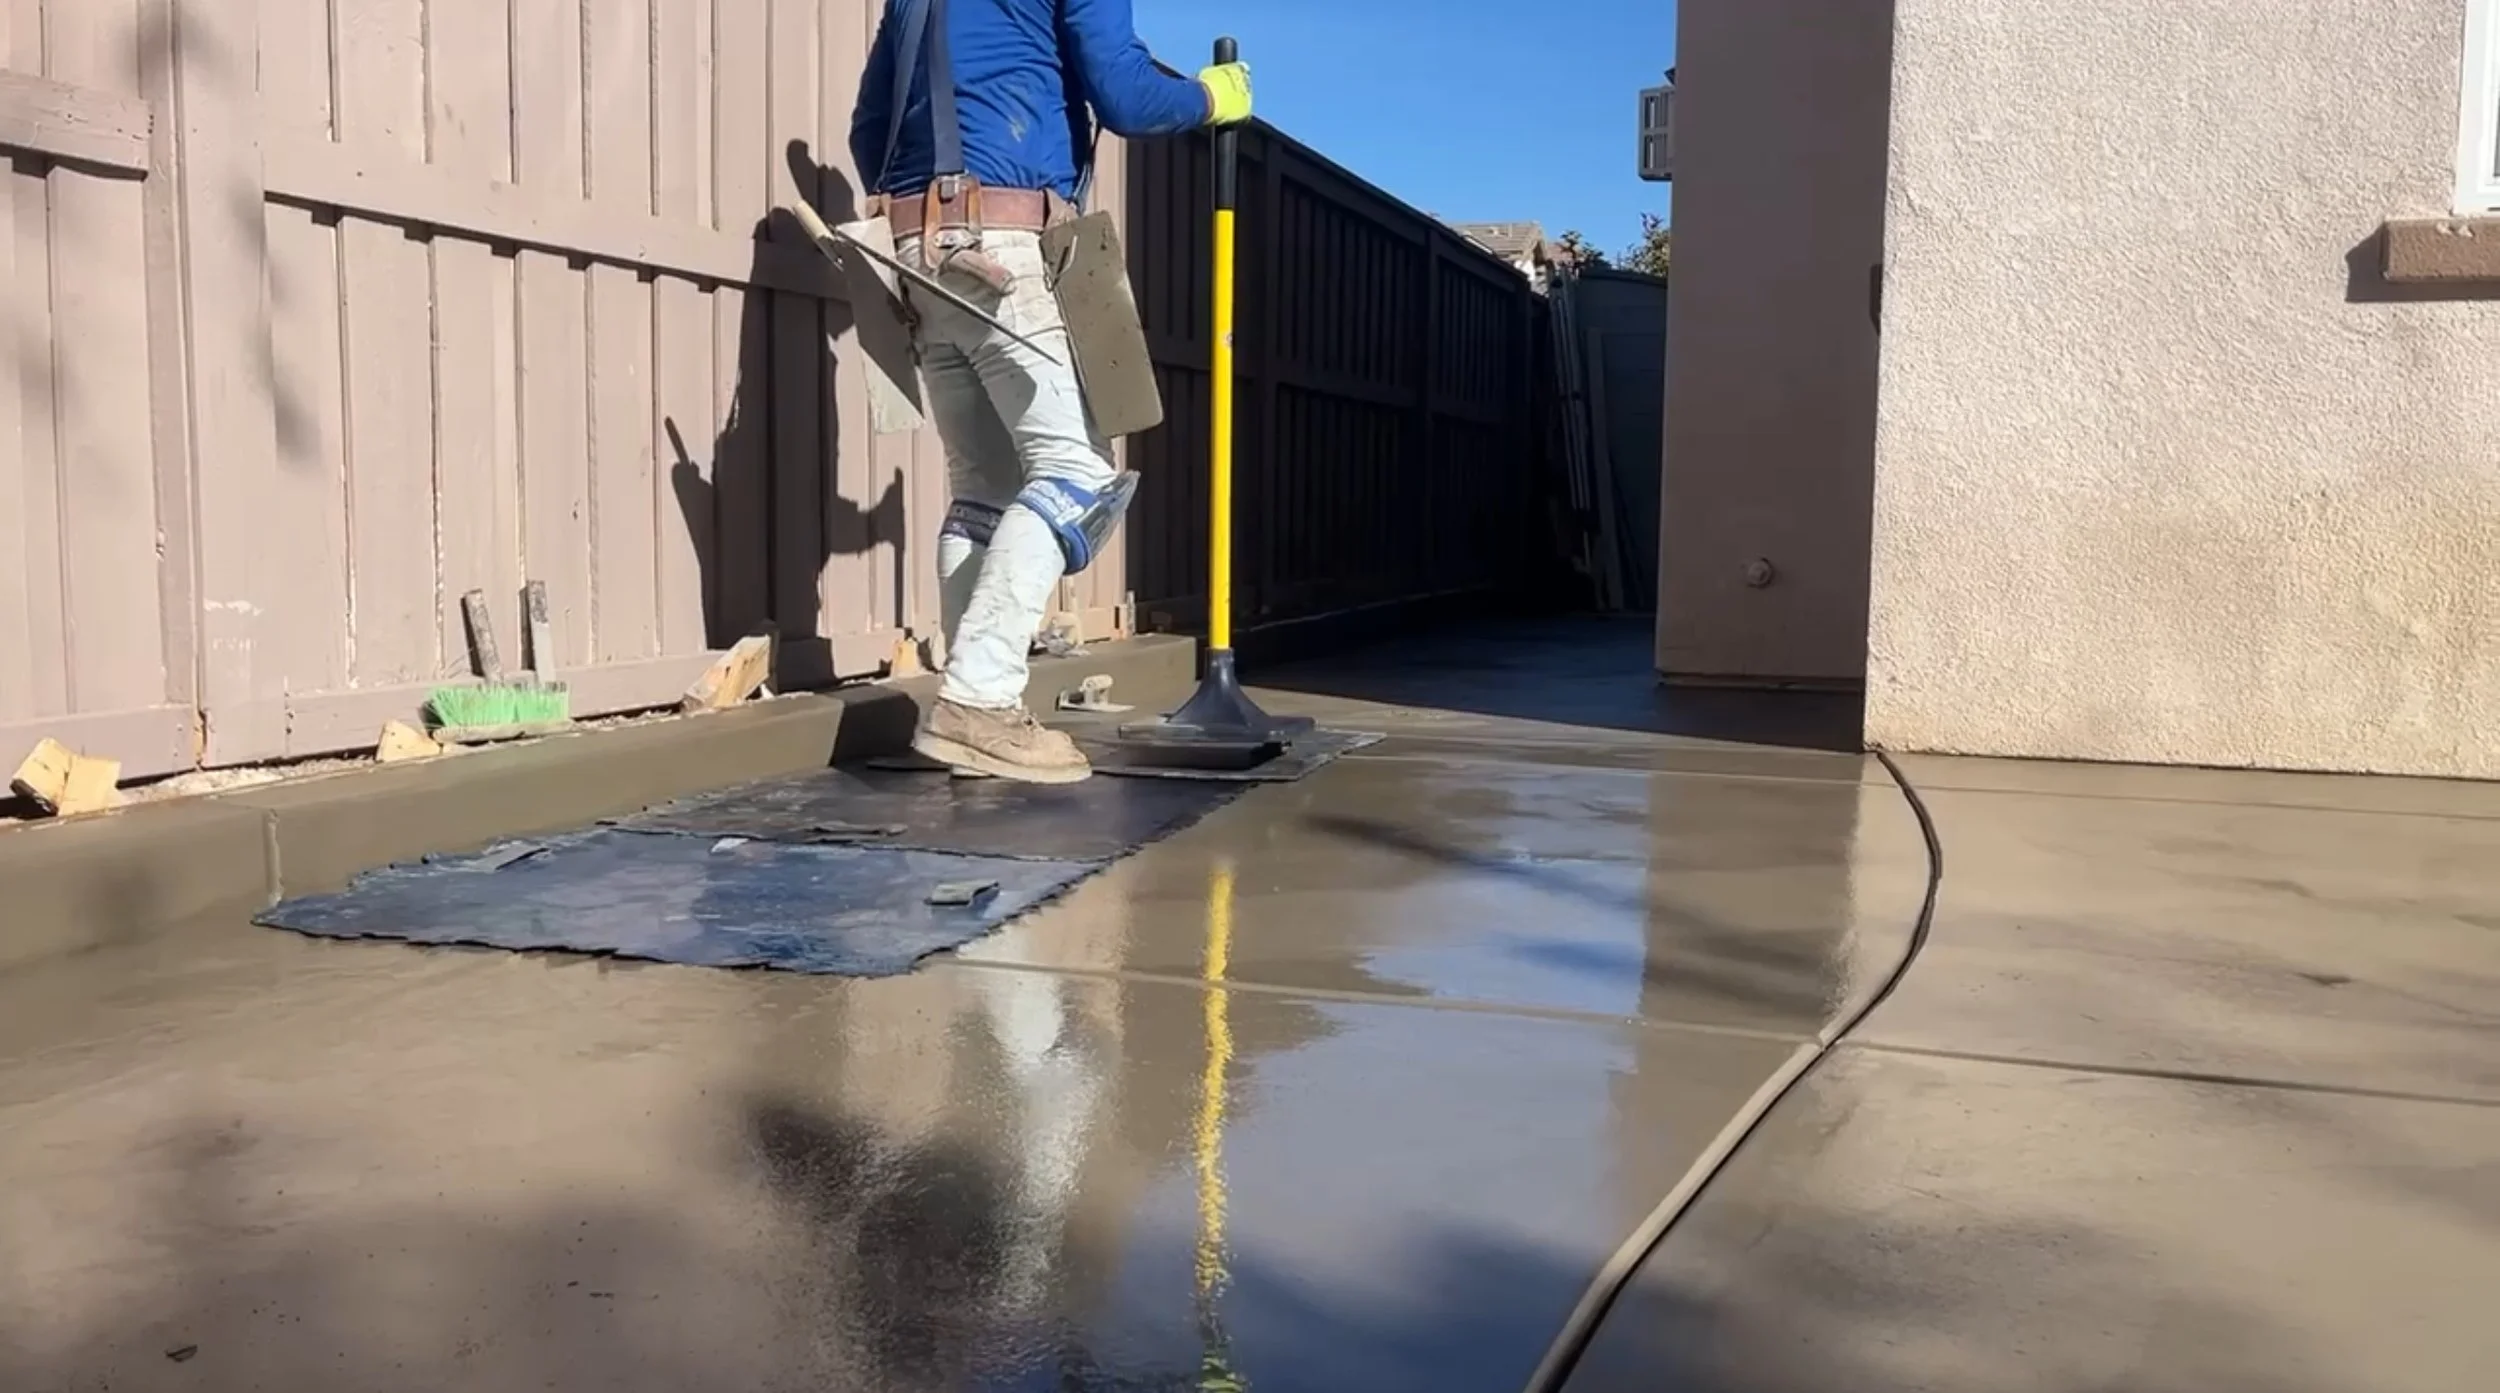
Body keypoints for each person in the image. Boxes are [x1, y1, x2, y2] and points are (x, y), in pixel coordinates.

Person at [849, 0, 1252, 783]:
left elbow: (869, 132)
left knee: (984, 491)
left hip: (909, 256)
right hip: (999, 245)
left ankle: (969, 714)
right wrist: (1211, 97)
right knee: (1077, 474)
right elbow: (1127, 97)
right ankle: (981, 697)